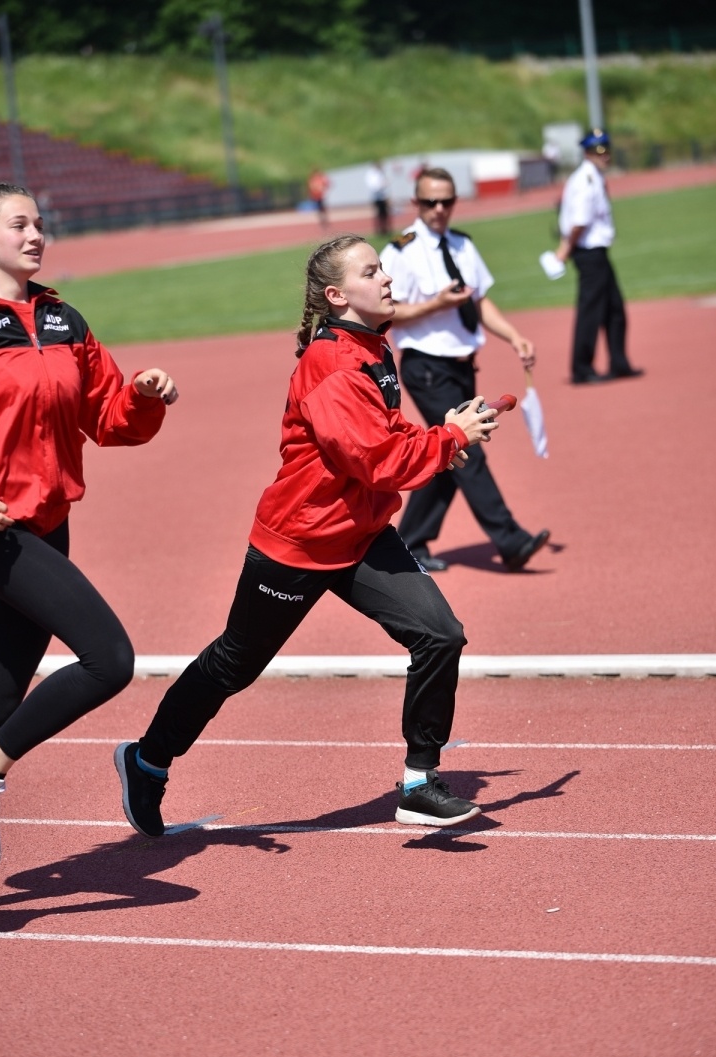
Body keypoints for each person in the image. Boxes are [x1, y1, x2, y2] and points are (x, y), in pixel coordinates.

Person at [114, 234, 499, 840]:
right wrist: (447, 440)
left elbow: (387, 435)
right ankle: (146, 760)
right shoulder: (332, 363)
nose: (388, 278)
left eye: (384, 269)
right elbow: (372, 458)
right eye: (373, 271)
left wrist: (437, 442)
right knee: (233, 666)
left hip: (363, 534)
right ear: (337, 294)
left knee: (440, 635)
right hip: (300, 543)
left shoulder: (372, 346)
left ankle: (420, 782)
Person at [0, 182, 178, 931]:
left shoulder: (64, 319)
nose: (36, 234)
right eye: (19, 225)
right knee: (109, 659)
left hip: (49, 524)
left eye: (39, 223)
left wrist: (147, 396)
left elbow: (108, 418)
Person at [379, 167, 549, 573]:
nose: (439, 209)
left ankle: (410, 543)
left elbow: (481, 301)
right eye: (429, 202)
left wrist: (514, 336)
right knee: (466, 448)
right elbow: (386, 312)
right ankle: (510, 540)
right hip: (425, 365)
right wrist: (432, 306)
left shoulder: (463, 245)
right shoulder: (400, 251)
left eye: (446, 201)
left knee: (446, 452)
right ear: (415, 204)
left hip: (462, 366)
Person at [555, 129, 643, 385]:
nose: (605, 156)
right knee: (591, 311)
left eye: (606, 150)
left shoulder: (593, 177)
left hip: (597, 251)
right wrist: (565, 250)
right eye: (598, 151)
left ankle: (619, 362)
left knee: (614, 309)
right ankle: (582, 368)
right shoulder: (585, 180)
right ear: (587, 153)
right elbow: (579, 222)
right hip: (588, 252)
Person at [365, 160, 391, 236]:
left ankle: (385, 229)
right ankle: (379, 230)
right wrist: (382, 184)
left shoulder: (381, 173)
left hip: (383, 196)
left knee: (385, 213)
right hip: (376, 197)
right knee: (378, 213)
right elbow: (374, 186)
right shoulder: (371, 174)